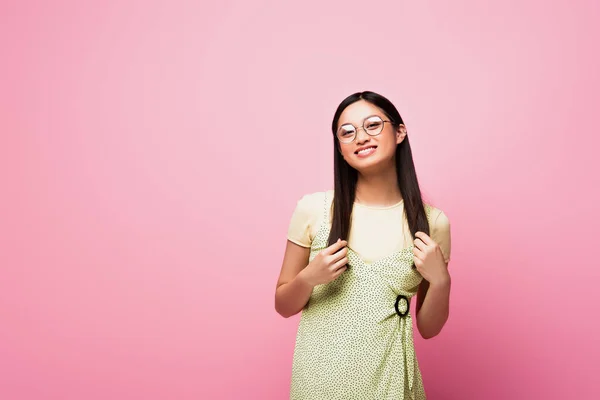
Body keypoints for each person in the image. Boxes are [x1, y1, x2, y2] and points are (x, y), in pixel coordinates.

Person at [274, 91, 452, 399]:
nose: (360, 137)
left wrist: (441, 282)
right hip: (319, 381)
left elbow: (429, 328)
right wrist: (309, 277)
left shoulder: (433, 223)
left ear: (399, 132)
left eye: (372, 125)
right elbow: (283, 305)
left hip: (390, 382)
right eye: (347, 132)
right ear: (340, 150)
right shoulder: (314, 209)